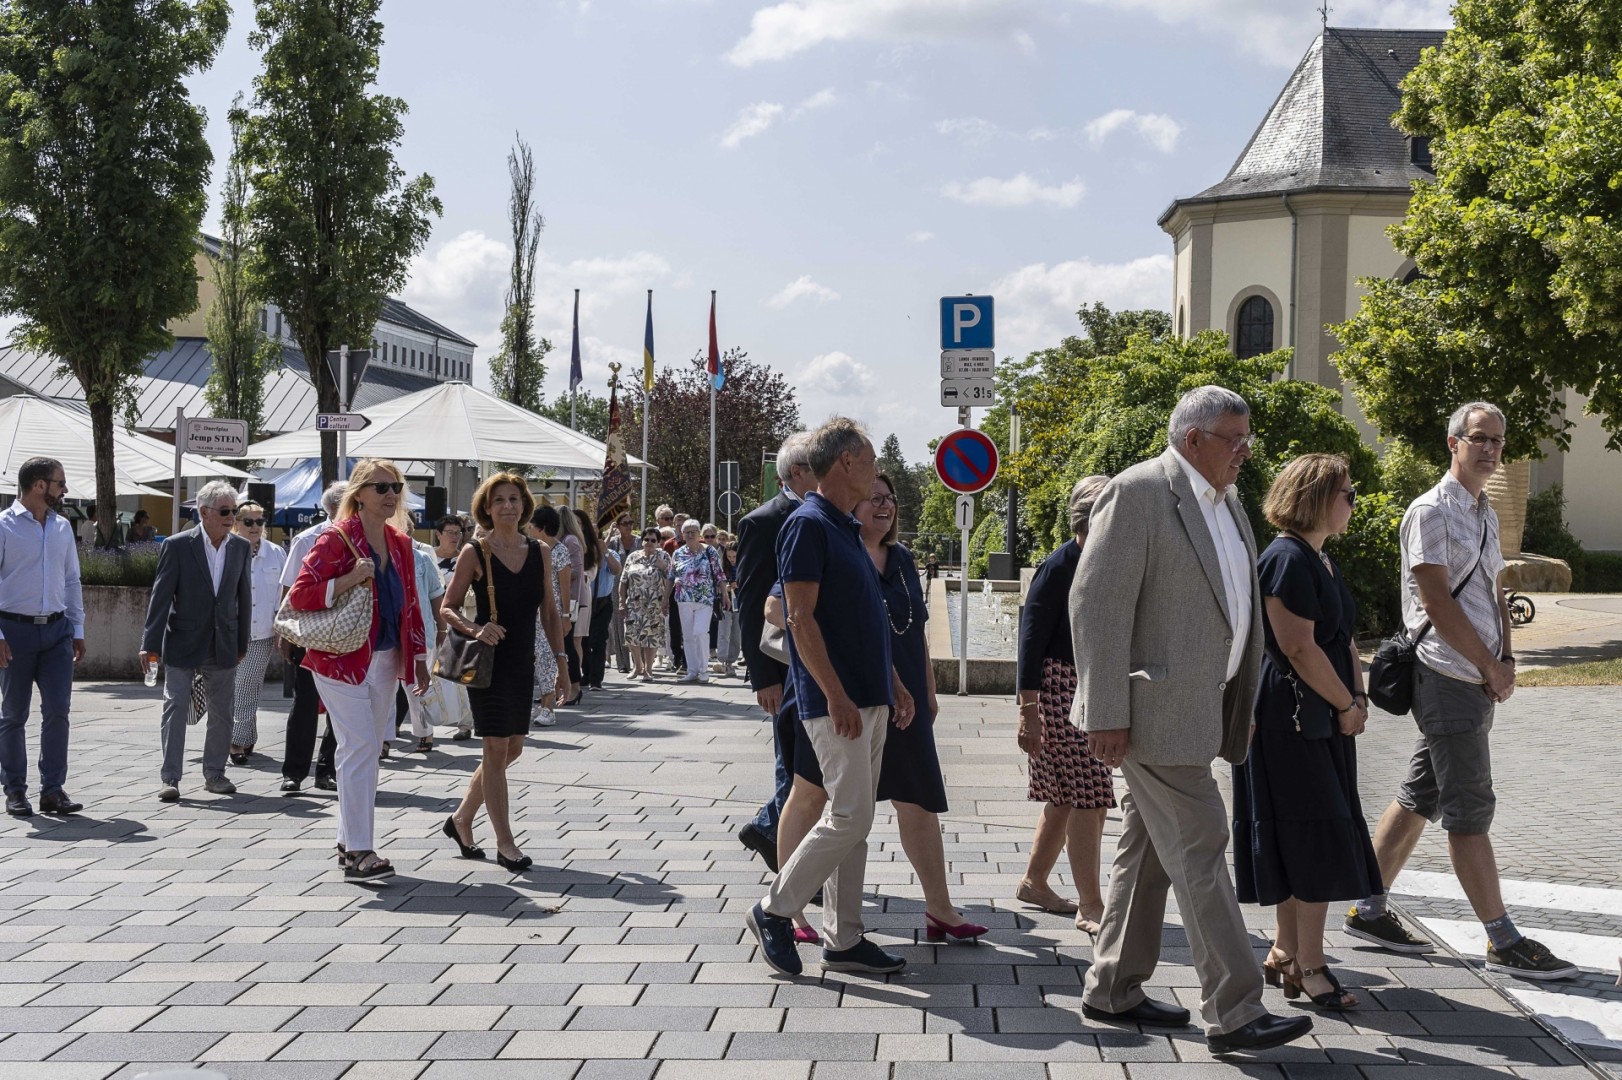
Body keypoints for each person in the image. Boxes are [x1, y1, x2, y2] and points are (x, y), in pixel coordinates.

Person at [1073, 386, 1311, 1053]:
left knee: (1149, 851)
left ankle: (1113, 987)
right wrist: (1105, 711)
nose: (1246, 451)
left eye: (1247, 438)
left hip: (1202, 709)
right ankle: (1235, 1011)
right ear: (1193, 439)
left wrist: (1239, 702)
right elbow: (1096, 607)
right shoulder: (1138, 493)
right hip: (1151, 714)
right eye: (1235, 438)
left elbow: (1234, 609)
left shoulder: (1227, 500)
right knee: (1203, 844)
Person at [1346, 403, 1578, 980]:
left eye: (1497, 440)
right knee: (1469, 811)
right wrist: (1487, 665)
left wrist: (1507, 657)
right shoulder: (1431, 511)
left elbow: (1494, 589)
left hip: (1475, 675)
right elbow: (1436, 602)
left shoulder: (1484, 511)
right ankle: (1502, 939)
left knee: (1420, 794)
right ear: (1453, 443)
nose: (1490, 449)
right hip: (1446, 675)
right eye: (1479, 438)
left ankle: (1367, 909)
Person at [776, 473, 984, 944]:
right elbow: (785, 609)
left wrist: (927, 690)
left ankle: (940, 909)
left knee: (918, 798)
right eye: (874, 498)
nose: (885, 506)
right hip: (842, 694)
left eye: (890, 498)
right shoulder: (831, 545)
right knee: (815, 798)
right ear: (853, 504)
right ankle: (789, 913)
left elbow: (917, 631)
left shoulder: (903, 558)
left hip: (901, 695)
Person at [745, 417, 915, 978]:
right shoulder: (808, 524)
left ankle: (844, 938)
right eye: (870, 460)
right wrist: (835, 695)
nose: (876, 470)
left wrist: (893, 684)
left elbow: (863, 619)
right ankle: (773, 910)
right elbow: (799, 617)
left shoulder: (842, 525)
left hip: (869, 696)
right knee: (849, 816)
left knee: (855, 821)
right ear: (845, 462)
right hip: (837, 702)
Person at [1233, 454, 1382, 1010]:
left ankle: (1286, 952)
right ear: (1317, 498)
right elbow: (1298, 647)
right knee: (1312, 836)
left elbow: (1343, 639)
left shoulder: (1318, 559)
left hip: (1320, 715)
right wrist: (1346, 702)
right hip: (1292, 718)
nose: (1354, 503)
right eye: (1348, 494)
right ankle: (1310, 965)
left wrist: (1357, 699)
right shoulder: (1286, 559)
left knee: (1306, 833)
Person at [286, 459, 429, 883]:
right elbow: (300, 595)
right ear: (360, 494)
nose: (391, 495)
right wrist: (348, 578)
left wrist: (419, 658)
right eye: (381, 487)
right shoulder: (335, 539)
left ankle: (348, 842)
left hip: (384, 658)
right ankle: (360, 852)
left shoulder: (400, 543)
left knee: (363, 748)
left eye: (396, 487)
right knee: (361, 744)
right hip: (339, 658)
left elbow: (411, 604)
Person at [442, 474, 562, 872]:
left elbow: (549, 612)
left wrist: (563, 666)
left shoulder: (540, 552)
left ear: (524, 505)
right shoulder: (475, 551)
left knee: (513, 749)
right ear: (487, 508)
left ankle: (461, 819)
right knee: (495, 748)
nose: (507, 506)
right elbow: (448, 607)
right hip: (488, 663)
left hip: (522, 663)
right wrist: (476, 628)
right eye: (499, 500)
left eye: (514, 499)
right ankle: (505, 843)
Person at [1014, 475, 1115, 934]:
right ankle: (1090, 904)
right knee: (1088, 796)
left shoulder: (1107, 562)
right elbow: (1030, 641)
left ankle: (1034, 882)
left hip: (1090, 686)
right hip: (1058, 689)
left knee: (1065, 795)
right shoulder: (1059, 566)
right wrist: (1028, 712)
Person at [733, 432, 816, 871]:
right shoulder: (763, 522)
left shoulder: (828, 516)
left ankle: (769, 828)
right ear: (797, 472)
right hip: (783, 666)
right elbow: (750, 605)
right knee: (794, 762)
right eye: (819, 465)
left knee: (807, 765)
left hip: (817, 661)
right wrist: (762, 677)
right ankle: (792, 870)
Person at [141, 481, 253, 802]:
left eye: (234, 511)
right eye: (225, 511)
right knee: (175, 706)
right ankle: (170, 777)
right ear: (204, 512)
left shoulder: (240, 547)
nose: (231, 518)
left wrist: (241, 643)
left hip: (224, 642)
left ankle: (215, 773)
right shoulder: (177, 545)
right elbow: (161, 598)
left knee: (223, 711)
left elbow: (244, 597)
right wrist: (150, 644)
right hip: (183, 640)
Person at [0, 457, 86, 817]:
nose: (64, 489)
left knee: (58, 710)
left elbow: (71, 580)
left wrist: (77, 629)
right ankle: (15, 790)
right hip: (14, 631)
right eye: (60, 483)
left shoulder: (62, 527)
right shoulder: (3, 526)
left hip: (56, 631)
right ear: (39, 485)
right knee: (13, 714)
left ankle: (53, 790)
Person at [278, 483, 345, 792]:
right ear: (332, 508)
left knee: (341, 705)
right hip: (310, 632)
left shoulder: (363, 538)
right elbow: (289, 588)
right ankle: (293, 772)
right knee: (305, 702)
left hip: (347, 632)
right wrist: (285, 633)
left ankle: (327, 770)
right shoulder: (308, 539)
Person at [228, 501, 287, 765]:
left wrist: (281, 626)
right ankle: (248, 735)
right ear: (236, 522)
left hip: (261, 632)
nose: (255, 527)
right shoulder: (226, 550)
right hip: (228, 632)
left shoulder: (276, 553)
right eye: (249, 522)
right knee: (233, 687)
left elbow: (283, 594)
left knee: (245, 685)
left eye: (260, 521)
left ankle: (237, 742)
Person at [402, 517, 448, 754]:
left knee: (415, 687)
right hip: (390, 634)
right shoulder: (379, 558)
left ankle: (424, 732)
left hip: (421, 633)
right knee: (386, 690)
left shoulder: (421, 558)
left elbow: (435, 595)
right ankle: (384, 738)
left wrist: (442, 628)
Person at [430, 516, 474, 742]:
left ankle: (465, 723)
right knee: (428, 674)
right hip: (430, 622)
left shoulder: (466, 558)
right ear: (439, 534)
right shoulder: (428, 556)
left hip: (458, 622)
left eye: (459, 532)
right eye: (450, 532)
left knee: (461, 675)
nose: (455, 537)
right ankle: (425, 725)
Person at [668, 521, 727, 685]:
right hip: (683, 599)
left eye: (693, 531)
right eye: (687, 532)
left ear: (699, 533)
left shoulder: (710, 551)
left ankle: (703, 670)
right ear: (682, 534)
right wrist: (665, 599)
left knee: (700, 632)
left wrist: (725, 595)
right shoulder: (678, 553)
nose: (690, 534)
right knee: (688, 636)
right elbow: (671, 576)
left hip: (705, 598)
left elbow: (719, 574)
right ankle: (692, 671)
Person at [531, 506, 569, 720]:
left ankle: (548, 708)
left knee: (547, 658)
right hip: (531, 611)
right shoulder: (531, 549)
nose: (529, 529)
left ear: (542, 527)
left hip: (550, 612)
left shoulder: (560, 551)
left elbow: (565, 588)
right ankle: (541, 703)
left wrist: (565, 616)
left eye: (532, 525)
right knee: (535, 658)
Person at [618, 526, 670, 680]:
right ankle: (637, 666)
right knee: (631, 634)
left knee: (652, 636)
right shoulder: (633, 557)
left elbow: (671, 579)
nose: (649, 542)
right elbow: (623, 581)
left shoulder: (664, 556)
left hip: (655, 603)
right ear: (641, 541)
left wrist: (664, 568)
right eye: (646, 539)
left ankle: (648, 669)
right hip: (634, 603)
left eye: (653, 540)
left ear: (658, 542)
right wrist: (621, 601)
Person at [582, 515, 622, 689]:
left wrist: (605, 551)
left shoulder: (609, 553)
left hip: (602, 602)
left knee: (599, 640)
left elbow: (616, 570)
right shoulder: (582, 553)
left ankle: (596, 679)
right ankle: (586, 673)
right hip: (585, 600)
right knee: (583, 640)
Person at [605, 513, 636, 674]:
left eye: (631, 522)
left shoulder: (639, 541)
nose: (628, 526)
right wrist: (610, 534)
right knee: (618, 624)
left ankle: (639, 662)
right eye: (625, 523)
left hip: (637, 586)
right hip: (617, 587)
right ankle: (623, 662)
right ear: (618, 526)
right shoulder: (613, 542)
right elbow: (601, 551)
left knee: (637, 623)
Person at [714, 541, 742, 677]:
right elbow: (717, 583)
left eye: (734, 556)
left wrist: (738, 585)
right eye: (729, 556)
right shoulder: (722, 567)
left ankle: (731, 661)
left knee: (736, 634)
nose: (732, 559)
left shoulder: (744, 566)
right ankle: (723, 660)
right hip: (725, 603)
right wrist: (725, 588)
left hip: (739, 603)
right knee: (724, 632)